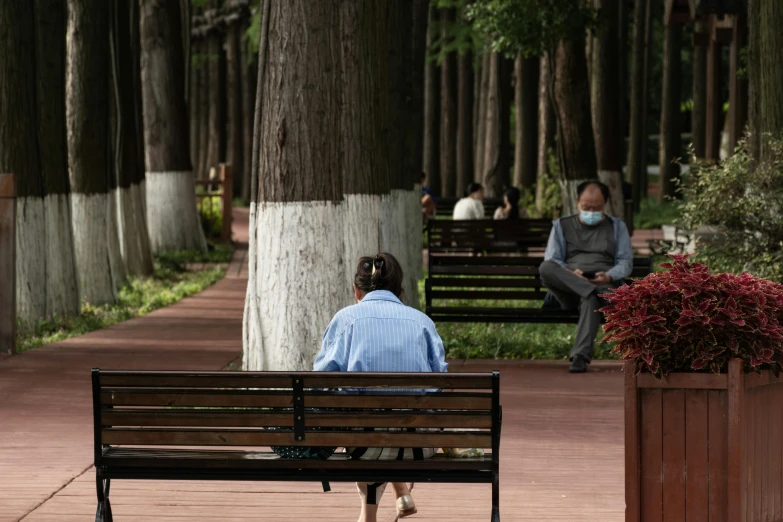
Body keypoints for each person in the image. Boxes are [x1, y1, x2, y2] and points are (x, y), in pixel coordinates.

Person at [313, 253, 448, 522]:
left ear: (356, 291)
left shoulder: (346, 320)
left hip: (364, 445)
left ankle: (368, 516)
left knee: (366, 429)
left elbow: (321, 382)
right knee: (387, 428)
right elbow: (439, 384)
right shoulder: (422, 322)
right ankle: (394, 496)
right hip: (419, 445)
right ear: (399, 289)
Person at [539, 180, 633, 374]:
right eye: (586, 207)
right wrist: (572, 274)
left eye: (596, 207)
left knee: (590, 300)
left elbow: (625, 262)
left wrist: (608, 277)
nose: (591, 211)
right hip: (569, 288)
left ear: (605, 204)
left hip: (603, 285)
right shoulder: (561, 225)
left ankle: (580, 357)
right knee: (546, 267)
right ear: (577, 202)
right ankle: (591, 291)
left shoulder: (617, 227)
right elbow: (553, 259)